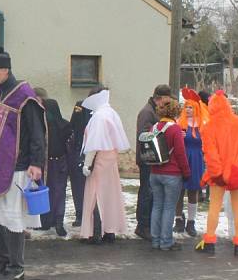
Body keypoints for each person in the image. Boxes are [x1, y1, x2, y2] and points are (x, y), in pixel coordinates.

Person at [0, 47, 46, 280]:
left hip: (17, 166)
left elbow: (37, 132)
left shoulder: (25, 96)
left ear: (5, 70)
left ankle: (17, 267)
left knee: (12, 219)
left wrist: (36, 162)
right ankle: (3, 260)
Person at [196, 91, 238, 256]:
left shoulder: (209, 127)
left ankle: (209, 240)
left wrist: (217, 173)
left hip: (219, 174)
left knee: (214, 207)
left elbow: (210, 154)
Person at [80, 87, 131, 244]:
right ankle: (110, 231)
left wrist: (87, 164)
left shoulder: (99, 117)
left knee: (95, 196)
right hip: (110, 159)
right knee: (110, 195)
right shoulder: (111, 113)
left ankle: (94, 233)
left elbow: (94, 144)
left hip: (99, 160)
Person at [149, 101, 191, 251]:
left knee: (157, 206)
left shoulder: (153, 127)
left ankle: (155, 239)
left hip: (155, 173)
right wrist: (186, 172)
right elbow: (180, 153)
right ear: (175, 112)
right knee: (169, 208)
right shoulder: (175, 129)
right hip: (172, 174)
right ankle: (166, 241)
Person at [135, 85, 172, 240]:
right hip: (147, 159)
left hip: (153, 159)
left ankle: (148, 224)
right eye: (167, 99)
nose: (168, 102)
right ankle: (142, 226)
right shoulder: (147, 112)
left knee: (151, 193)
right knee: (146, 192)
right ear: (161, 98)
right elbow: (144, 136)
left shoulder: (152, 110)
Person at [34, 87, 72, 236]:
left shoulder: (57, 126)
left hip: (54, 163)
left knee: (53, 192)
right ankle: (52, 222)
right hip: (53, 163)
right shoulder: (61, 125)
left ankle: (53, 222)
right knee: (53, 193)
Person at [175, 88, 209, 236]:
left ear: (196, 108)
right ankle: (178, 220)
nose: (188, 109)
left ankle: (191, 222)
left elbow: (208, 142)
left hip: (196, 160)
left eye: (190, 107)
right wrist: (179, 135)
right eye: (186, 107)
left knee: (193, 191)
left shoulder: (203, 124)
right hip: (183, 158)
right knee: (179, 191)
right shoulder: (179, 123)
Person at [68, 97, 93, 227]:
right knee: (79, 186)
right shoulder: (81, 104)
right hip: (79, 150)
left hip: (88, 151)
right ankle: (80, 214)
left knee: (83, 186)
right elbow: (73, 126)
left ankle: (85, 214)